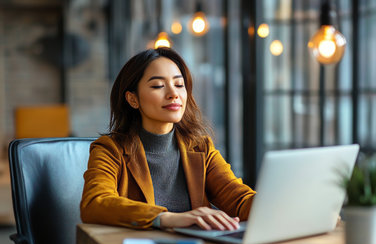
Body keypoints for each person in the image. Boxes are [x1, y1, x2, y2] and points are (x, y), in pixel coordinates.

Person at [80, 47, 255, 231]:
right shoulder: (110, 149)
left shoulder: (200, 148)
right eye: (158, 86)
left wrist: (279, 201)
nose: (174, 94)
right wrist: (165, 218)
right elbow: (95, 203)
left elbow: (239, 200)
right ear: (133, 99)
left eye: (179, 85)